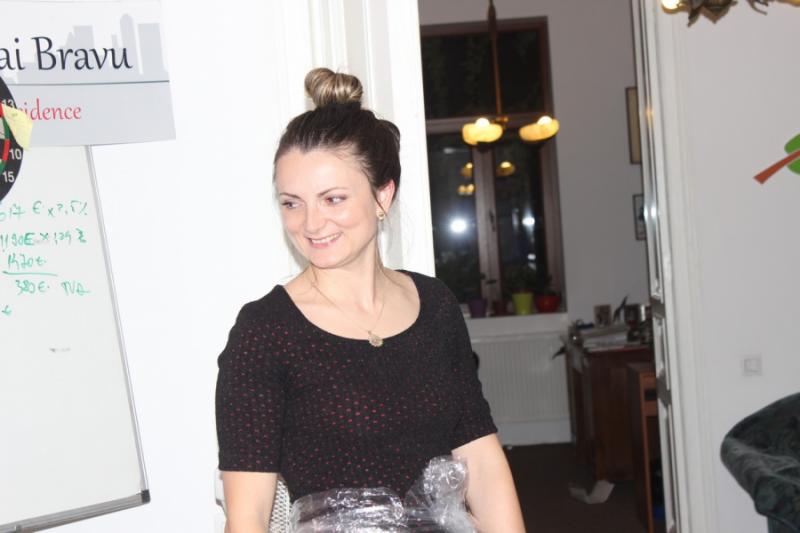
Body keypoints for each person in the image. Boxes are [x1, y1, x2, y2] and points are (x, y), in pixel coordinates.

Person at [215, 68, 526, 533]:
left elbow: (479, 454)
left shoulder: (436, 305)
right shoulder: (265, 331)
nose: (311, 223)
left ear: (383, 196)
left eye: (333, 199)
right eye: (292, 202)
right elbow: (247, 519)